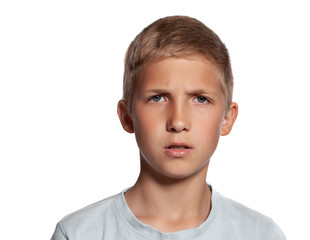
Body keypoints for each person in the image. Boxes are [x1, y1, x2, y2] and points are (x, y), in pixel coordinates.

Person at [51, 16, 286, 240]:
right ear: (127, 116)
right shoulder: (78, 233)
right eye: (158, 98)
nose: (178, 122)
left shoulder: (260, 234)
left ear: (226, 119)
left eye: (200, 99)